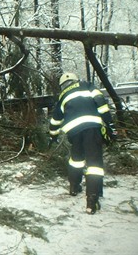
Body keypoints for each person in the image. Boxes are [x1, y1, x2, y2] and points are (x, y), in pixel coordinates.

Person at [49, 72, 116, 214]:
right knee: (94, 164)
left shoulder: (63, 96)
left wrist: (53, 135)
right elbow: (101, 103)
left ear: (62, 85)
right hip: (92, 128)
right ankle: (92, 200)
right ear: (75, 80)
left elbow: (56, 119)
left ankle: (74, 187)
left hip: (74, 132)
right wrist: (109, 123)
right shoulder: (87, 85)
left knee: (76, 159)